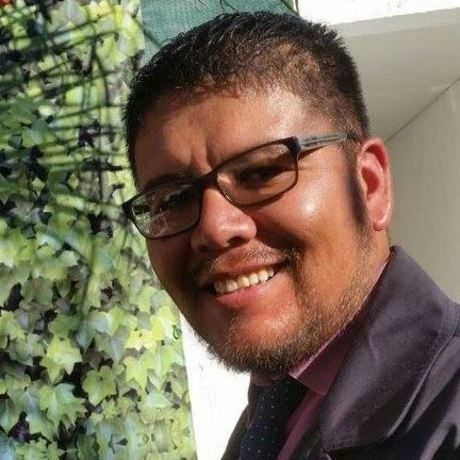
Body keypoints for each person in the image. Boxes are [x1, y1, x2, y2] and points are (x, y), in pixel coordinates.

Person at [122, 11, 460, 459]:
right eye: (173, 200)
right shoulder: (267, 419)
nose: (215, 229)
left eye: (261, 172)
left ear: (370, 185)